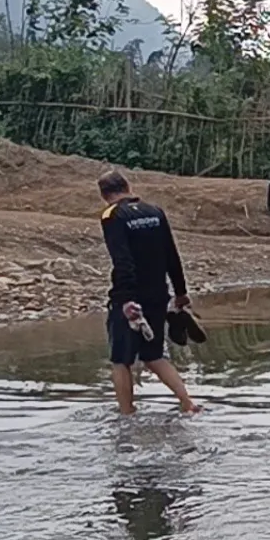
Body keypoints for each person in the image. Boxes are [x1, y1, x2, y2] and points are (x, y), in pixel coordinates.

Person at [98, 170, 200, 415]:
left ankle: (126, 413)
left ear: (104, 195)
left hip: (131, 298)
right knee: (153, 355)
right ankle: (188, 403)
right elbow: (171, 254)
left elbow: (122, 261)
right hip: (158, 293)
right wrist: (181, 291)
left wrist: (125, 300)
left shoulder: (112, 216)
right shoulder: (154, 212)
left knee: (121, 359)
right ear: (128, 186)